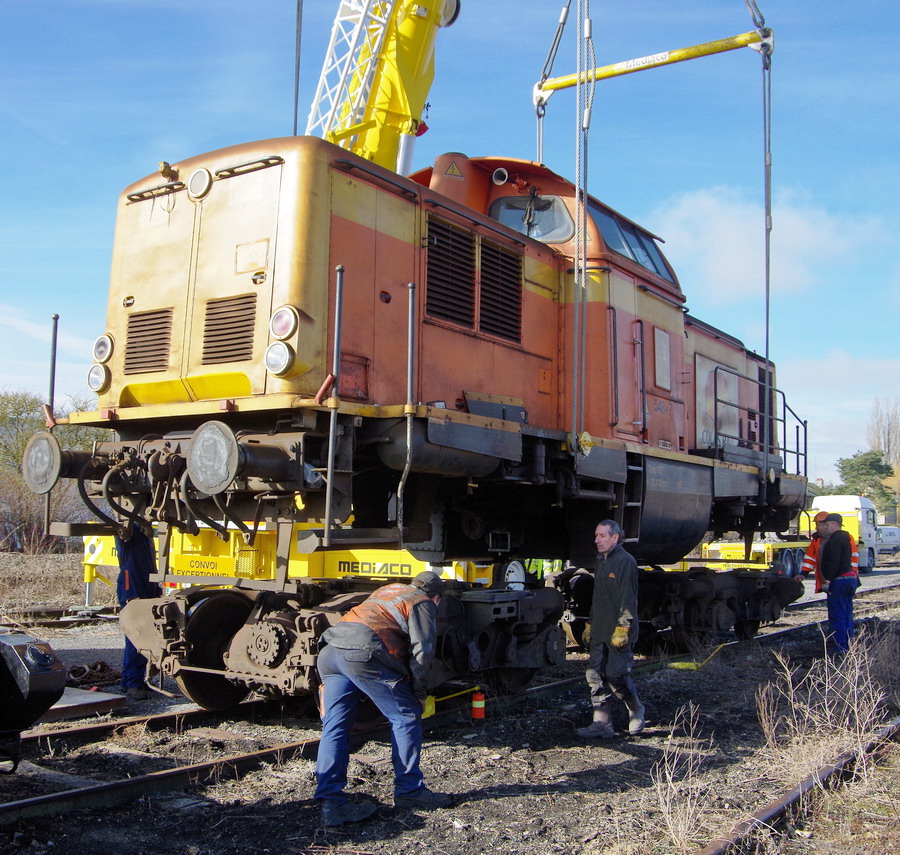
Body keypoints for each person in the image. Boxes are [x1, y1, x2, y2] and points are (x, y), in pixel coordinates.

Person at [314, 570, 452, 826]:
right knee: (406, 715)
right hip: (360, 655)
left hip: (330, 652)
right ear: (437, 598)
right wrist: (419, 694)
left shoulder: (388, 590)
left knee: (335, 726)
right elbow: (423, 651)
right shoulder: (422, 601)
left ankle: (331, 802)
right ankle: (410, 791)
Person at [577, 519, 645, 739]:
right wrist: (590, 623)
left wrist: (623, 627)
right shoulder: (600, 560)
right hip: (599, 628)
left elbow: (628, 598)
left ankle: (636, 709)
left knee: (616, 675)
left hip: (618, 630)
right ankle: (602, 723)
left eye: (602, 536)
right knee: (594, 675)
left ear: (615, 538)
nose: (597, 540)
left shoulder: (626, 562)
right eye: (596, 535)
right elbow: (598, 596)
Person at [114, 523, 162, 700]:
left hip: (144, 588)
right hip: (133, 590)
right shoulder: (130, 528)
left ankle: (129, 681)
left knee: (136, 638)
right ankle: (133, 683)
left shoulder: (143, 531)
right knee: (137, 638)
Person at [814, 513, 861, 653]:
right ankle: (849, 644)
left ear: (835, 524)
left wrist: (827, 580)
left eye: (827, 524)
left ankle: (840, 648)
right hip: (850, 579)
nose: (825, 527)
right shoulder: (845, 538)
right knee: (846, 615)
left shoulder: (835, 540)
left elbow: (834, 562)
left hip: (839, 581)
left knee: (837, 615)